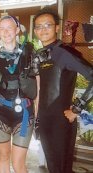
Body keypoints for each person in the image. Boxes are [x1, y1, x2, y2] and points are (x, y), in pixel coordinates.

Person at [33, 8, 93, 173]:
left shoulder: (64, 52)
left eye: (47, 25)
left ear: (57, 28)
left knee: (61, 168)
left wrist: (77, 108)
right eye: (38, 26)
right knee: (53, 167)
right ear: (35, 30)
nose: (43, 29)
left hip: (61, 121)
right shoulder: (40, 55)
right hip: (44, 121)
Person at [0, 15, 37, 173]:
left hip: (24, 115)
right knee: (3, 156)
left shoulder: (29, 55)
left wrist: (38, 115)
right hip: (0, 114)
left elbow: (37, 88)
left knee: (18, 163)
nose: (5, 32)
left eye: (9, 28)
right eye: (2, 28)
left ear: (17, 30)